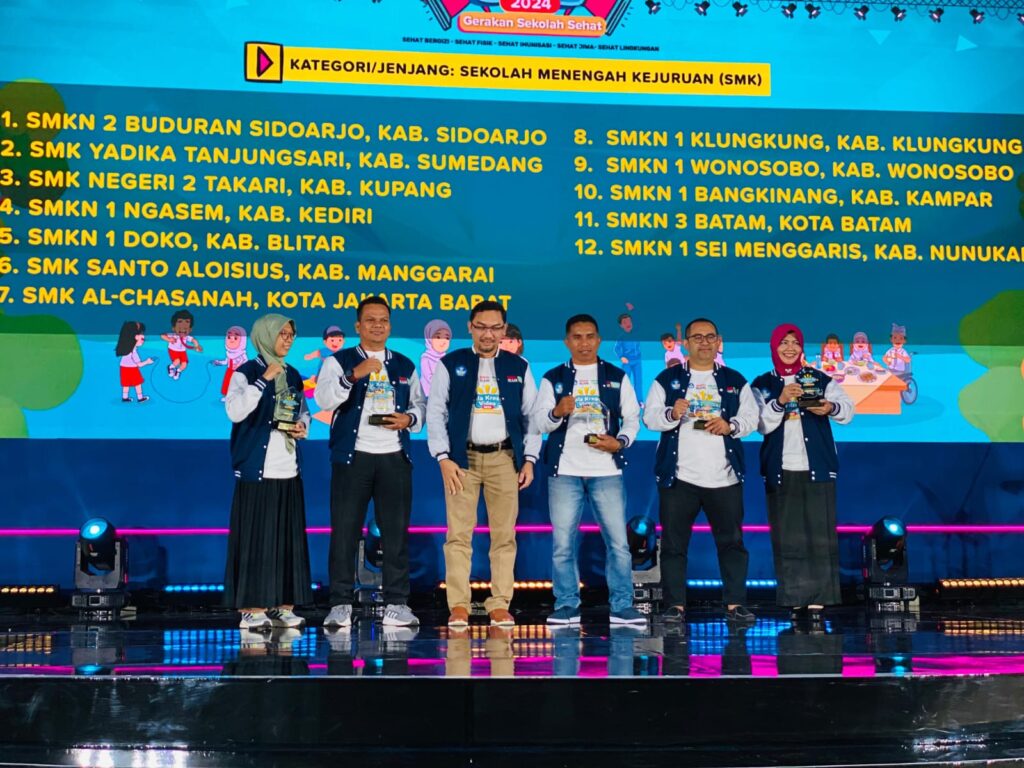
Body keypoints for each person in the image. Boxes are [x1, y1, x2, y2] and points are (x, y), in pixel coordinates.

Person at [426, 300, 540, 628]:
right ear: (470, 327)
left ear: (503, 330)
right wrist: (443, 458)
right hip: (462, 460)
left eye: (495, 327)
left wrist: (529, 459)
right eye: (481, 327)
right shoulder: (451, 363)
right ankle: (459, 605)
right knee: (458, 536)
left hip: (505, 458)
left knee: (504, 536)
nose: (488, 334)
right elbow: (435, 412)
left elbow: (532, 416)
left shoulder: (519, 366)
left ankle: (499, 603)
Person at [314, 297, 425, 630]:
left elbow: (420, 406)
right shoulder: (338, 361)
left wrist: (408, 419)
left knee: (395, 534)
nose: (378, 325)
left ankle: (397, 604)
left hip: (394, 456)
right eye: (371, 320)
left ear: (389, 325)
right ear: (358, 326)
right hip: (353, 457)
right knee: (344, 532)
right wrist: (353, 376)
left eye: (383, 320)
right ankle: (340, 604)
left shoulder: (404, 364)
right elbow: (323, 399)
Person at [642, 317, 759, 624]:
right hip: (680, 476)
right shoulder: (667, 379)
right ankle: (675, 606)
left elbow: (751, 418)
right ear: (686, 343)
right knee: (673, 546)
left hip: (724, 476)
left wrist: (730, 425)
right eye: (697, 337)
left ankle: (736, 604)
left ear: (718, 341)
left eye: (710, 337)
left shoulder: (735, 379)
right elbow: (650, 418)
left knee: (732, 544)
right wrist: (672, 413)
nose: (704, 342)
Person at [533, 313, 645, 625]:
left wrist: (619, 442)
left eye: (590, 336)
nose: (584, 343)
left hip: (606, 470)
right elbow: (539, 422)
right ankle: (566, 605)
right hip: (565, 470)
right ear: (567, 342)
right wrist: (557, 411)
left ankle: (622, 606)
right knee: (563, 544)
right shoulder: (553, 377)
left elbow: (632, 418)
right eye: (577, 337)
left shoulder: (616, 376)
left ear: (599, 340)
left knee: (619, 544)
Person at [752, 324, 853, 627]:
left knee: (820, 536)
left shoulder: (819, 379)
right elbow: (760, 424)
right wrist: (780, 400)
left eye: (795, 342)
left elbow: (848, 411)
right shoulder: (762, 384)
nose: (790, 348)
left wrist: (829, 407)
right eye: (783, 343)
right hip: (781, 469)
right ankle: (795, 599)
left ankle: (819, 600)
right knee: (788, 537)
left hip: (817, 467)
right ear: (774, 347)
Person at [224, 313, 312, 631]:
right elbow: (235, 411)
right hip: (257, 470)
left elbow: (302, 410)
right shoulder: (245, 372)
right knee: (255, 541)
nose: (287, 340)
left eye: (291, 335)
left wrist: (302, 425)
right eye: (281, 334)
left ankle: (283, 606)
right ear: (265, 335)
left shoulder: (293, 374)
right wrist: (263, 380)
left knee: (287, 541)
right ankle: (251, 609)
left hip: (287, 468)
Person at [115, 320, 154, 403]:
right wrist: (147, 361)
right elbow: (139, 364)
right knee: (138, 383)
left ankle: (125, 397)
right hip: (132, 369)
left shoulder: (127, 350)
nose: (143, 338)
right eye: (140, 334)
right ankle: (140, 398)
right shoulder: (133, 352)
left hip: (123, 367)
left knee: (126, 383)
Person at [614, 304, 643, 396]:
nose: (628, 324)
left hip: (637, 361)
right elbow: (616, 348)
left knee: (638, 382)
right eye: (624, 322)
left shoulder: (637, 332)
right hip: (627, 361)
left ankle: (639, 400)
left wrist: (632, 310)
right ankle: (625, 398)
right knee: (625, 381)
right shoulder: (621, 337)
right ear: (621, 325)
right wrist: (621, 357)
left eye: (629, 321)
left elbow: (638, 320)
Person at [213, 325, 248, 400]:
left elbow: (246, 363)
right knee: (227, 384)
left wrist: (240, 366)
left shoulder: (242, 355)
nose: (231, 340)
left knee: (237, 385)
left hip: (238, 372)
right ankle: (227, 396)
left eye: (235, 338)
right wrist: (218, 362)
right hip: (229, 372)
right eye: (229, 337)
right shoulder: (229, 354)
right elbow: (226, 361)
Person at [419, 318, 452, 397]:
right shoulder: (425, 358)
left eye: (447, 338)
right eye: (438, 337)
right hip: (427, 395)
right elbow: (429, 378)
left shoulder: (448, 359)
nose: (443, 341)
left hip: (444, 396)